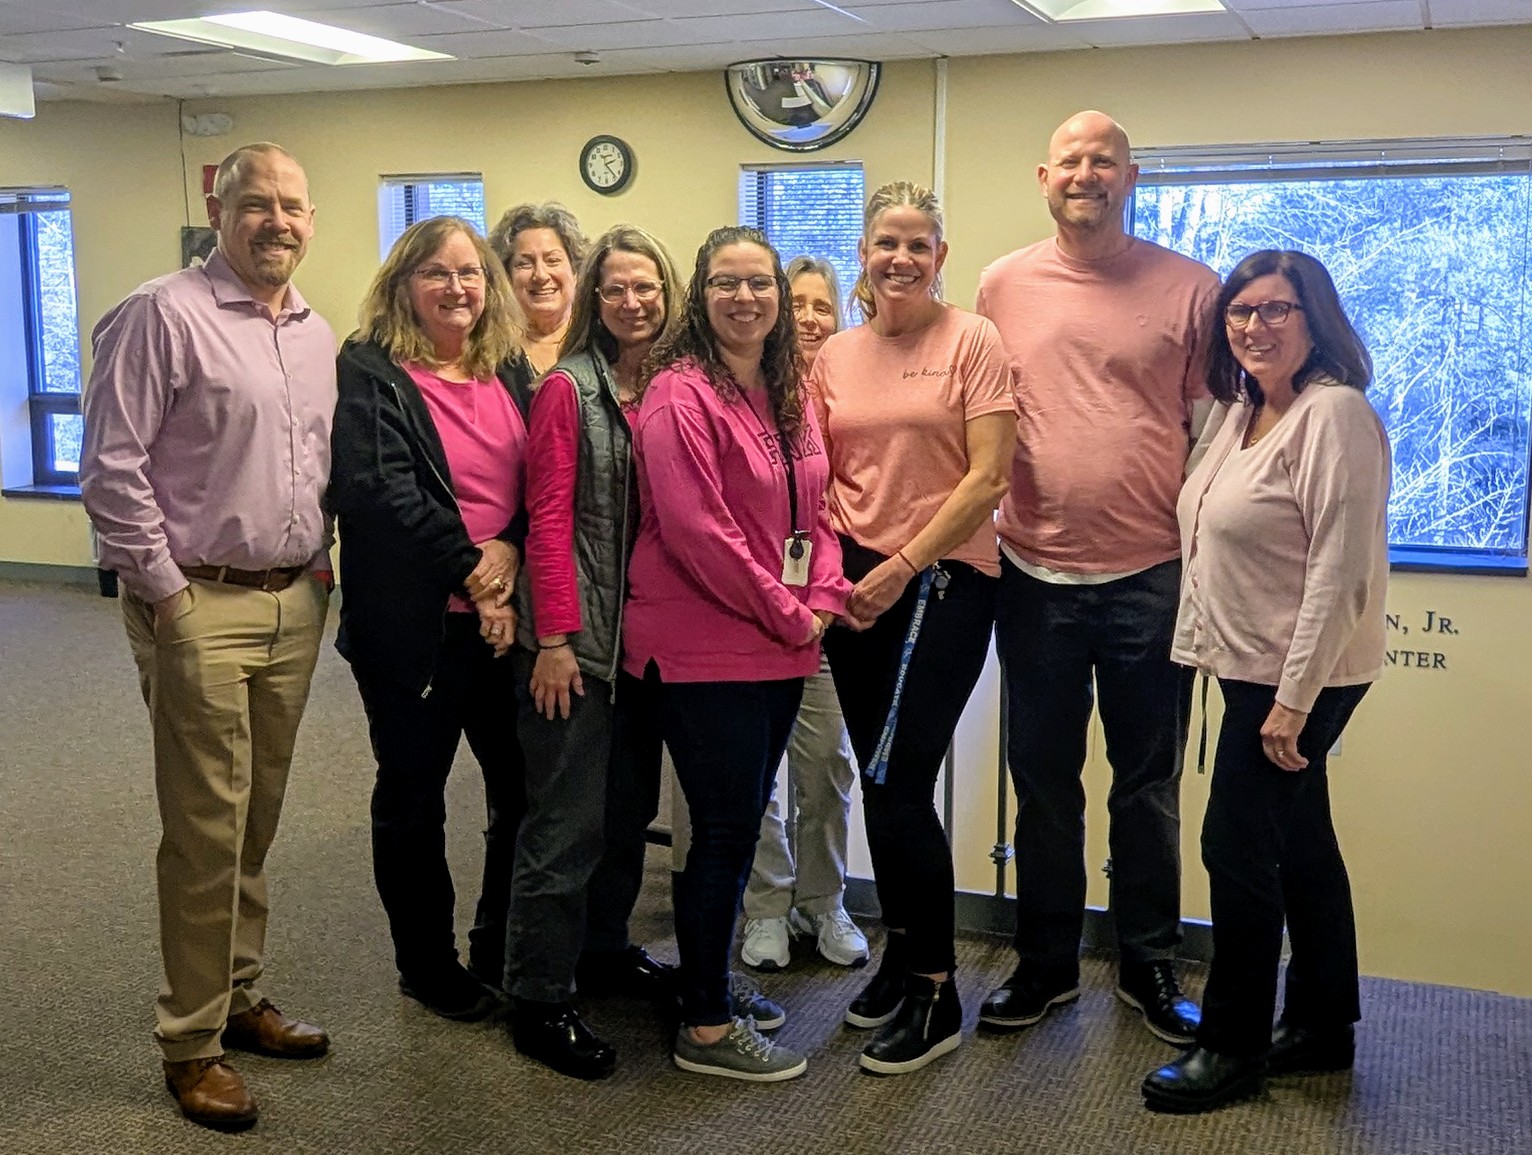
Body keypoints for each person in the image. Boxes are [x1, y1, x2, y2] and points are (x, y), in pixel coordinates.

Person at [79, 142, 335, 1132]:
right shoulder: (161, 313)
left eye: (294, 207)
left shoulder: (312, 332)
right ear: (218, 209)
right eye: (257, 204)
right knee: (204, 830)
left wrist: (317, 573)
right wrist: (166, 597)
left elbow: (313, 467)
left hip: (294, 601)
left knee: (256, 816)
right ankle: (190, 1042)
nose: (279, 222)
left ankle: (239, 991)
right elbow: (112, 466)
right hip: (200, 603)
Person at [975, 110, 1220, 1046]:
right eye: (1071, 161)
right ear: (1045, 177)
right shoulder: (1002, 283)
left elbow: (1209, 434)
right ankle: (1043, 963)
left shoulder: (1190, 288)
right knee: (1042, 783)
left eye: (1104, 162)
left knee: (1147, 782)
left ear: (1133, 177)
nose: (1088, 174)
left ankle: (1148, 962)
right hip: (1031, 572)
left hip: (1149, 578)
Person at [1142, 251, 1389, 1113]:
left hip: (1297, 677)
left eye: (1277, 309)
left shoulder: (1334, 414)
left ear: (1315, 316)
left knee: (1236, 851)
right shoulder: (1243, 408)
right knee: (1303, 843)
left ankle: (1232, 1043)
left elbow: (1341, 569)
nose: (1255, 326)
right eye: (1241, 311)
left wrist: (1294, 699)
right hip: (1250, 665)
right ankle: (1323, 1022)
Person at [624, 225, 850, 1082]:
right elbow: (697, 531)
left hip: (779, 642)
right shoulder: (680, 393)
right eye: (726, 283)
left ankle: (707, 983)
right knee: (723, 832)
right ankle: (707, 1029)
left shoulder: (786, 392)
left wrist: (820, 594)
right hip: (704, 644)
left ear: (781, 299)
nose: (745, 298)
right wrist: (787, 611)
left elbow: (814, 510)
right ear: (701, 295)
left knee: (739, 819)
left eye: (760, 283)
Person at [815, 181, 1014, 1074]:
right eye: (886, 241)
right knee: (879, 775)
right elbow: (819, 470)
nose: (902, 257)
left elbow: (987, 478)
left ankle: (936, 992)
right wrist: (838, 574)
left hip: (941, 580)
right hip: (854, 585)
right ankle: (902, 955)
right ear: (863, 251)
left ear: (942, 255)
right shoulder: (834, 354)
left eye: (920, 244)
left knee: (897, 788)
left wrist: (900, 567)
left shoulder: (973, 339)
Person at [328, 217, 525, 1028]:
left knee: (522, 789)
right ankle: (427, 963)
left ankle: (497, 939)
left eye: (472, 272)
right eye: (438, 273)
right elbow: (382, 490)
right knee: (416, 797)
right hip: (417, 628)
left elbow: (538, 473)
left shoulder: (506, 366)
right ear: (403, 281)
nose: (458, 288)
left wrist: (509, 547)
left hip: (503, 619)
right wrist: (476, 574)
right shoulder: (369, 367)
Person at [506, 225, 683, 1078]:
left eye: (644, 286)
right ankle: (539, 995)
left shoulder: (677, 386)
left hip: (649, 651)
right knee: (565, 826)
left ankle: (603, 952)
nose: (632, 303)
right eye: (614, 290)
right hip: (577, 651)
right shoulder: (566, 391)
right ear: (592, 300)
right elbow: (547, 520)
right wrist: (553, 638)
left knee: (623, 816)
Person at [741, 256, 868, 972]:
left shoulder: (849, 390)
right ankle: (765, 905)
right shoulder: (750, 390)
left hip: (822, 608)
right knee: (757, 770)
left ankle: (823, 899)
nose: (813, 316)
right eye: (799, 303)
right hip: (751, 607)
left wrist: (821, 597)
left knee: (826, 762)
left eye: (825, 305)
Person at [489, 202, 587, 385]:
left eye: (552, 260)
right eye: (524, 263)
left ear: (575, 271)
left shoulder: (595, 339)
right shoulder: (491, 351)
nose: (540, 275)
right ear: (507, 276)